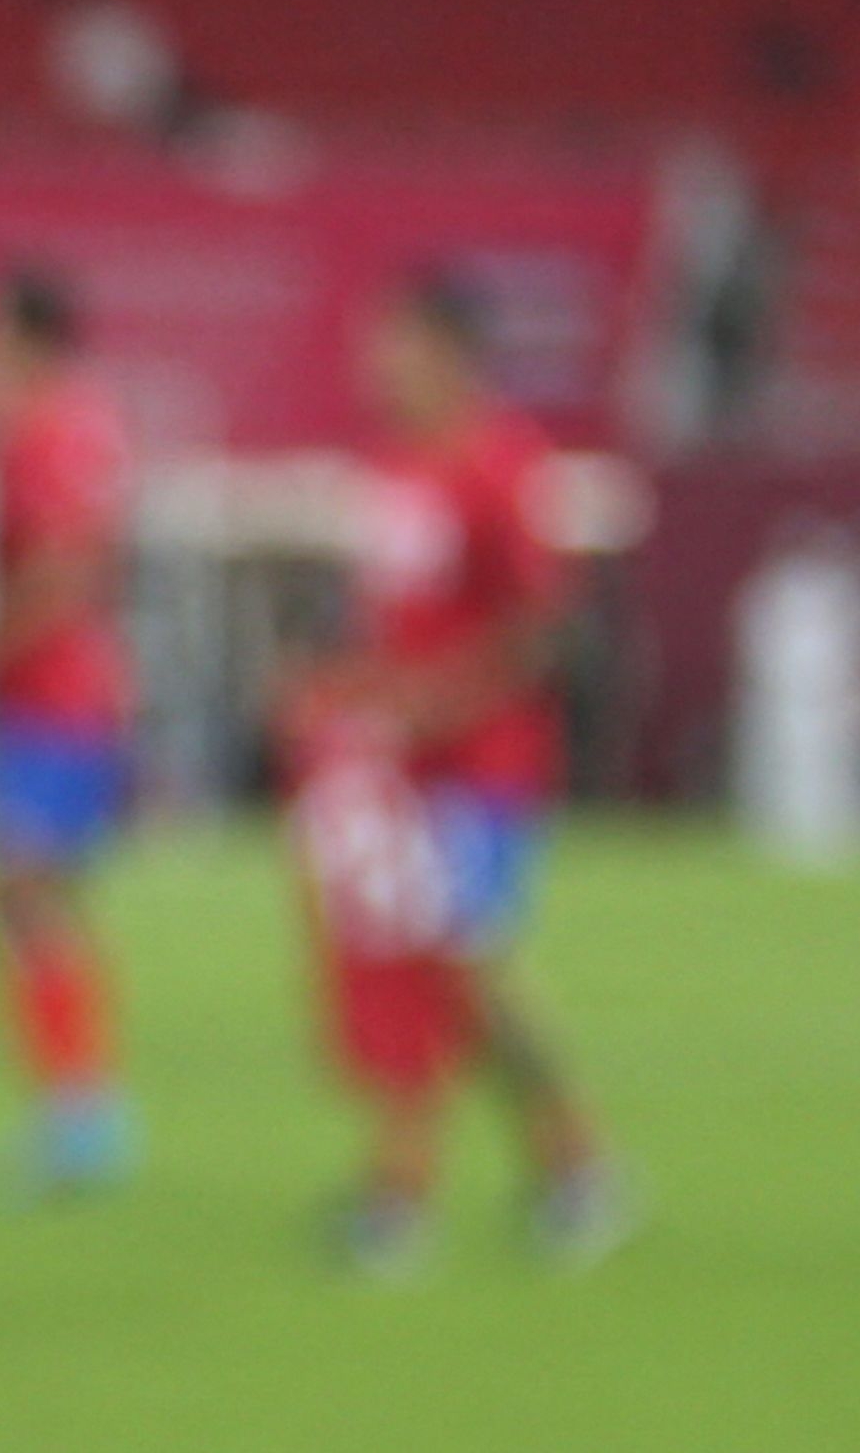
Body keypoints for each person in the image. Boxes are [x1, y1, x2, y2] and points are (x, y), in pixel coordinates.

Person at [303, 274, 625, 1277]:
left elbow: (545, 629)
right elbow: (390, 618)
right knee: (427, 969)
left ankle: (456, 1185)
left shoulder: (504, 464)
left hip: (487, 766)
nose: (374, 363)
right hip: (398, 766)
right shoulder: (394, 466)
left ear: (447, 350)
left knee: (465, 966)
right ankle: (533, 1170)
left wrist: (436, 702)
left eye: (391, 342)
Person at [0, 267, 137, 1189]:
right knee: (27, 893)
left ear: (25, 340)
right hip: (65, 692)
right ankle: (77, 1102)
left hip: (46, 696)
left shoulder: (46, 433)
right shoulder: (73, 425)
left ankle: (79, 1108)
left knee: (21, 889)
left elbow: (59, 575)